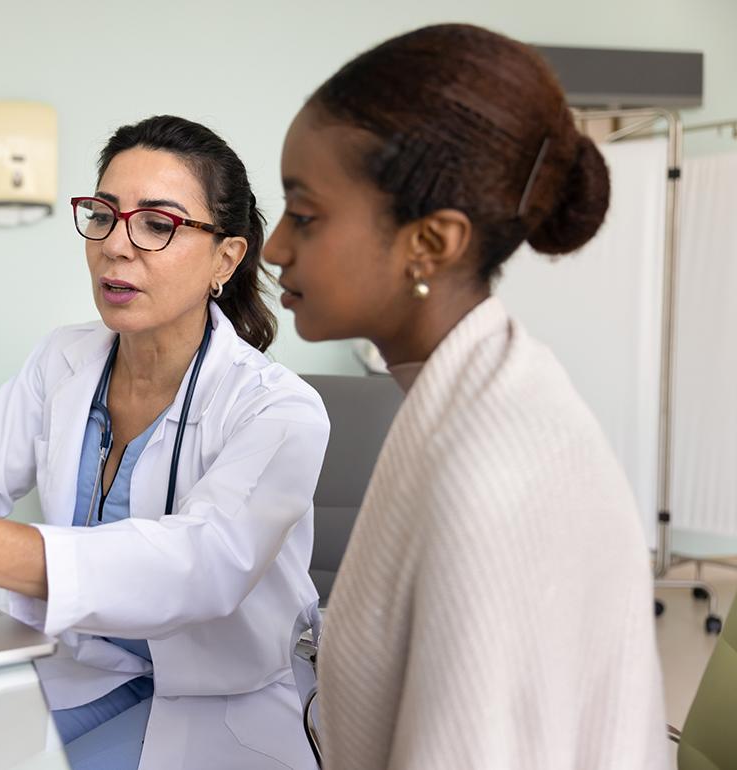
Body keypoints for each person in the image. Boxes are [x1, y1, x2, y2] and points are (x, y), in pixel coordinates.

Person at [0, 114, 329, 770]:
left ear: (226, 257)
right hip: (83, 666)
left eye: (158, 224)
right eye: (103, 214)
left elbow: (202, 567)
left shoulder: (279, 409)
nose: (116, 245)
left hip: (217, 702)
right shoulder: (64, 358)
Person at [262, 24, 667, 770]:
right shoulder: (458, 397)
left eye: (306, 215)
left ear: (431, 243)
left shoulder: (495, 474)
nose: (275, 246)